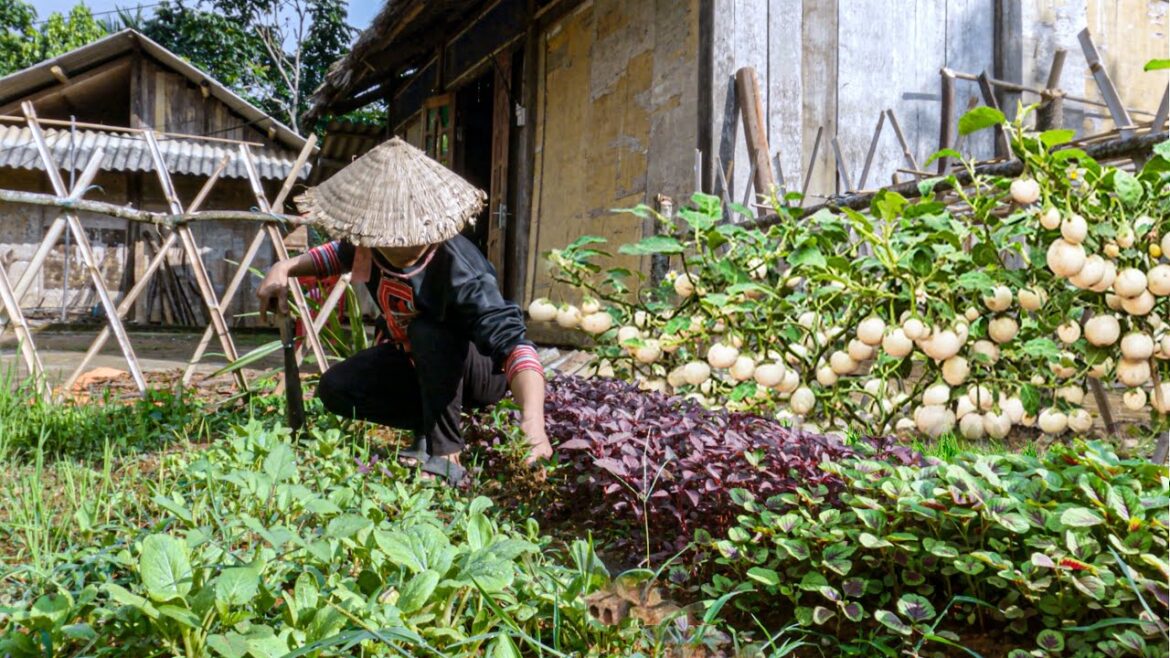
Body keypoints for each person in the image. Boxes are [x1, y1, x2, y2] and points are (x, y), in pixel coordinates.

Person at [257, 137, 551, 484]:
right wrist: (285, 267)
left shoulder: (461, 271)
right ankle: (428, 428)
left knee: (429, 330)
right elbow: (338, 254)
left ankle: (446, 454)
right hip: (417, 363)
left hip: (477, 375)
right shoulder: (370, 243)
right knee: (336, 387)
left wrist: (533, 418)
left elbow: (515, 347)